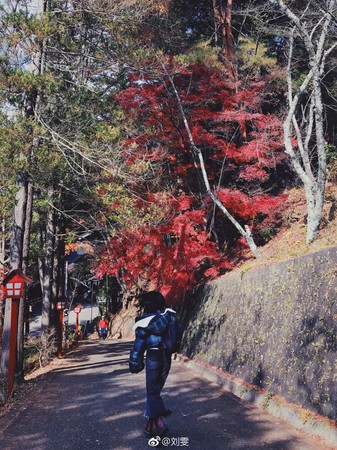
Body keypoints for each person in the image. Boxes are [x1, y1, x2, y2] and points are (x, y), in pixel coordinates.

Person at [129, 291, 177, 438]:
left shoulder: (144, 322)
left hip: (154, 356)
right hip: (166, 357)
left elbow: (139, 346)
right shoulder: (170, 316)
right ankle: (149, 426)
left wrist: (135, 363)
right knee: (155, 392)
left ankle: (159, 422)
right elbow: (177, 335)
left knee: (152, 392)